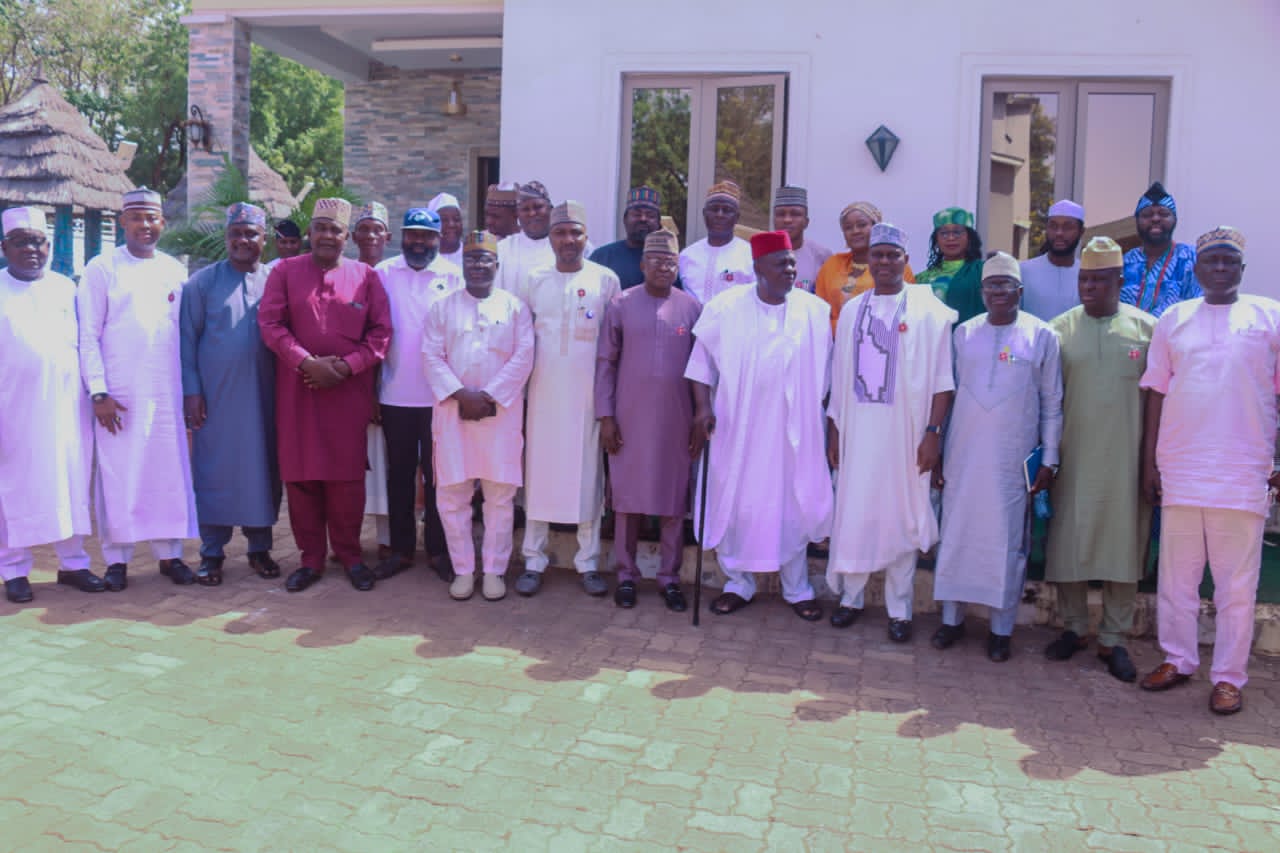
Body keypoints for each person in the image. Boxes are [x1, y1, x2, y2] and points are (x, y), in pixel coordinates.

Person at [1138, 227, 1277, 715]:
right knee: (1177, 579)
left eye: (1229, 261)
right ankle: (1178, 658)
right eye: (1211, 261)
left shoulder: (1269, 317)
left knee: (1235, 586)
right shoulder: (1173, 320)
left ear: (1241, 268)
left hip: (1243, 470)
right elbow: (1155, 390)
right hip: (1180, 466)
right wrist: (1150, 461)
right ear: (1195, 270)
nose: (1220, 268)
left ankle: (1229, 677)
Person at [686, 230, 833, 621]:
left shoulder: (814, 310)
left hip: (794, 431)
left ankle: (797, 588)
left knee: (794, 502)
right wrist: (702, 410)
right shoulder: (725, 307)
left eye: (791, 263)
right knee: (737, 500)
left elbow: (827, 373)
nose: (789, 270)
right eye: (780, 264)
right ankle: (738, 583)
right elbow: (701, 365)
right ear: (757, 269)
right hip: (740, 427)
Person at [826, 223, 956, 642]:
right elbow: (839, 376)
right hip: (859, 432)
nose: (883, 262)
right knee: (857, 510)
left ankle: (900, 609)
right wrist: (834, 429)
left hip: (908, 434)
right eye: (877, 255)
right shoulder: (851, 310)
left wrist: (933, 432)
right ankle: (850, 598)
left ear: (905, 261)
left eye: (891, 256)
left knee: (902, 513)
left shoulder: (929, 311)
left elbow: (942, 379)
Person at [930, 252, 1062, 661]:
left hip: (1011, 460)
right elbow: (946, 393)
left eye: (1005, 286)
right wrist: (936, 449)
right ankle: (951, 621)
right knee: (957, 534)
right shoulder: (963, 334)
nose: (998, 293)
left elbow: (1052, 401)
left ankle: (1000, 631)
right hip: (962, 456)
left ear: (1019, 291)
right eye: (991, 286)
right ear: (983, 291)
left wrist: (1050, 458)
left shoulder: (1042, 336)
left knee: (1006, 542)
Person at [258, 197, 392, 593]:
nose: (327, 236)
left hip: (347, 396)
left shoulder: (366, 277)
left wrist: (346, 367)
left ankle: (350, 556)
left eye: (335, 230)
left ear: (346, 237)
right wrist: (306, 363)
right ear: (310, 233)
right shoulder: (284, 271)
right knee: (302, 480)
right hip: (298, 393)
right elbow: (271, 324)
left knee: (346, 480)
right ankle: (311, 559)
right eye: (320, 228)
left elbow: (381, 334)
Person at [1042, 236, 1155, 683]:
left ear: (1119, 280)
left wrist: (1153, 463)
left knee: (1124, 547)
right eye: (1084, 279)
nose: (1089, 287)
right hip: (1074, 457)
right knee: (1070, 540)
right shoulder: (1058, 330)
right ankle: (1073, 628)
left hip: (1128, 461)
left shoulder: (1148, 330)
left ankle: (1114, 639)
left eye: (1099, 280)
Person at [78, 187, 198, 591]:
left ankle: (170, 555)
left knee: (166, 474)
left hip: (166, 393)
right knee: (118, 475)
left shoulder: (174, 270)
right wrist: (99, 392)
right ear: (122, 222)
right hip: (120, 396)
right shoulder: (102, 268)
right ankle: (116, 560)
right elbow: (88, 336)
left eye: (152, 218)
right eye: (136, 217)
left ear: (162, 223)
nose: (145, 225)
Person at [514, 201, 621, 597]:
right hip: (541, 397)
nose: (568, 240)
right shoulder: (533, 279)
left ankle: (588, 562)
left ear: (586, 235)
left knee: (587, 477)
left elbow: (613, 346)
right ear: (551, 239)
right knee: (538, 477)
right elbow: (522, 340)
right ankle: (533, 559)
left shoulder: (605, 280)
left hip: (588, 399)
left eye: (575, 232)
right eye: (560, 232)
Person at [423, 230, 535, 602]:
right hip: (453, 414)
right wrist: (461, 396)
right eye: (471, 258)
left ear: (496, 265)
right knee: (452, 497)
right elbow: (431, 356)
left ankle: (494, 571)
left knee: (500, 498)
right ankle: (463, 570)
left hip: (500, 416)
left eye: (485, 259)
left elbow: (524, 357)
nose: (478, 265)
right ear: (462, 264)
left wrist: (488, 397)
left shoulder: (515, 308)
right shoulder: (442, 307)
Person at [596, 228, 701, 611]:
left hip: (676, 419)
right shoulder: (621, 304)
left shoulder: (691, 307)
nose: (663, 267)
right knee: (627, 500)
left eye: (670, 261)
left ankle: (669, 578)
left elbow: (701, 368)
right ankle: (626, 575)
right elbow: (606, 363)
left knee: (673, 501)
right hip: (628, 417)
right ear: (642, 265)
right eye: (656, 260)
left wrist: (699, 416)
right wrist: (605, 416)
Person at [0, 207, 101, 603]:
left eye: (39, 241)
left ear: (49, 245)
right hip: (13, 410)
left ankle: (73, 564)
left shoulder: (66, 288)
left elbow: (87, 343)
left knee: (71, 484)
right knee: (11, 487)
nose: (32, 249)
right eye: (22, 241)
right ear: (4, 247)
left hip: (67, 410)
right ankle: (13, 569)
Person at [179, 203, 282, 586]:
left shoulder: (276, 280)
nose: (243, 240)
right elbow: (186, 342)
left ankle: (259, 549)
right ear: (225, 238)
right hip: (216, 400)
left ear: (264, 240)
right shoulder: (201, 284)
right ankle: (211, 554)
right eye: (236, 233)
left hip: (264, 398)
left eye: (251, 233)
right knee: (214, 471)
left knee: (262, 470)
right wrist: (192, 392)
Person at [372, 208, 460, 584]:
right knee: (400, 475)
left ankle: (439, 550)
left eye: (426, 236)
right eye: (412, 235)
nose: (419, 242)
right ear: (402, 237)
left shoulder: (455, 276)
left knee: (440, 477)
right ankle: (402, 549)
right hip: (395, 393)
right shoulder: (383, 274)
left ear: (438, 239)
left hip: (441, 396)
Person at [352, 202, 394, 559]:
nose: (370, 235)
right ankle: (349, 538)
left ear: (388, 236)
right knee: (355, 464)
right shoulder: (346, 273)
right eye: (363, 229)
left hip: (390, 384)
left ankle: (388, 538)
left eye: (376, 229)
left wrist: (379, 390)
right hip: (351, 382)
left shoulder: (394, 275)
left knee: (385, 464)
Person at [814, 201, 916, 333]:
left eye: (862, 225)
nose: (855, 231)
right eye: (848, 227)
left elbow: (906, 311)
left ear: (876, 227)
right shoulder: (832, 264)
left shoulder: (896, 265)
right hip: (835, 341)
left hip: (882, 338)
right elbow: (819, 311)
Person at [1121, 182, 1201, 317]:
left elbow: (1198, 306)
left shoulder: (1191, 258)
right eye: (1147, 215)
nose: (1156, 219)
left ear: (1175, 220)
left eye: (1163, 214)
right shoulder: (1125, 261)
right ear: (1137, 221)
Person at [678, 181, 756, 305]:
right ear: (704, 214)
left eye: (726, 210)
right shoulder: (686, 256)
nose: (719, 215)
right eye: (714, 209)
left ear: (737, 217)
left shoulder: (751, 256)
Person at [915, 207, 985, 324]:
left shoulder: (982, 271)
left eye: (957, 232)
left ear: (969, 237)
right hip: (931, 340)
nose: (951, 238)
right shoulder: (921, 279)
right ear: (936, 239)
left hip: (968, 339)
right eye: (944, 233)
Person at [1019, 199, 1085, 321]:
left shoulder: (1087, 275)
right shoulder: (1023, 271)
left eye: (1067, 227)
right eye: (1053, 226)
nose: (1059, 233)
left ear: (1081, 232)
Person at [589, 185, 665, 289]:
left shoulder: (668, 260)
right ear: (625, 219)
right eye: (637, 214)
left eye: (650, 215)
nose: (643, 219)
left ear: (658, 223)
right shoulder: (602, 257)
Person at [496, 180, 554, 301]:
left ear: (550, 209)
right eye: (525, 209)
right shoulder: (503, 249)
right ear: (518, 214)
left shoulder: (567, 245)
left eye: (538, 207)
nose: (532, 213)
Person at [771, 185, 831, 293]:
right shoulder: (760, 255)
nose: (787, 220)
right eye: (781, 214)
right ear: (773, 220)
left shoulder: (822, 256)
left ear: (806, 222)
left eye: (795, 214)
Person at [428, 192, 465, 268]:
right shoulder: (424, 258)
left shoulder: (471, 256)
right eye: (444, 220)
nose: (451, 225)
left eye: (456, 219)